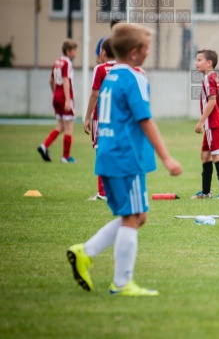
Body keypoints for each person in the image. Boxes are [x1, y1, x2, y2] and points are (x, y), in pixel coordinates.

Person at [66, 23, 182, 296]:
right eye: (146, 48)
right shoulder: (134, 78)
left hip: (109, 153)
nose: (148, 52)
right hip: (125, 157)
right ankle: (121, 283)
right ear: (134, 52)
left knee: (137, 215)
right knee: (132, 217)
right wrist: (166, 157)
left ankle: (86, 252)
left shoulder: (110, 76)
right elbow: (145, 119)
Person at [191, 49, 219, 200]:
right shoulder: (216, 78)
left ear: (209, 63)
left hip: (213, 123)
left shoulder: (209, 78)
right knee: (205, 156)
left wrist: (201, 121)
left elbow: (212, 100)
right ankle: (206, 192)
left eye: (199, 60)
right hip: (217, 123)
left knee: (217, 156)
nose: (196, 63)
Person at [84, 38, 117, 201]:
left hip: (102, 117)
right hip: (118, 117)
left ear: (102, 52)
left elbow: (95, 94)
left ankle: (102, 192)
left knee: (101, 151)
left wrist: (87, 117)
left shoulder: (100, 69)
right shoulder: (123, 68)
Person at [37, 39, 78, 163]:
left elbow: (51, 80)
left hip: (56, 95)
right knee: (69, 127)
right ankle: (65, 157)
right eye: (74, 50)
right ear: (68, 51)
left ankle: (44, 146)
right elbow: (66, 80)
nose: (76, 53)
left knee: (61, 126)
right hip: (65, 96)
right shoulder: (67, 63)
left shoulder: (57, 62)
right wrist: (67, 99)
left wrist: (55, 93)